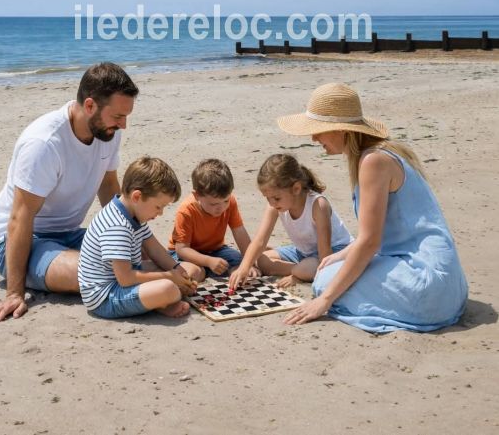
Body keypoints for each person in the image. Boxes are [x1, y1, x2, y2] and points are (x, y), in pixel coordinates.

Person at [276, 82, 468, 333]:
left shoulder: (373, 161)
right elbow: (384, 234)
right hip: (450, 284)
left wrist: (324, 301)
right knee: (331, 267)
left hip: (427, 284)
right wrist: (341, 255)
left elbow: (370, 242)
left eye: (319, 130)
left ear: (341, 129)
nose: (314, 138)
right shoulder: (384, 153)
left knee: (324, 283)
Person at [0, 62, 138, 323]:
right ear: (90, 106)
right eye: (118, 117)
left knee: (135, 260)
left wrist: (132, 236)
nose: (123, 125)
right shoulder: (43, 143)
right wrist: (14, 293)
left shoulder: (107, 132)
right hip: (18, 241)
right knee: (101, 273)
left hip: (70, 235)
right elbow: (20, 218)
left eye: (126, 116)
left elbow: (109, 188)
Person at [79, 156, 204, 319]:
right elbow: (125, 279)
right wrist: (169, 277)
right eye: (158, 207)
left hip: (127, 277)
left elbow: (155, 250)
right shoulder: (117, 226)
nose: (160, 213)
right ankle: (160, 303)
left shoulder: (134, 212)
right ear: (137, 197)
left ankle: (157, 300)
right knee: (168, 289)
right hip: (106, 297)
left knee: (191, 270)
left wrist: (176, 270)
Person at [229, 153, 352, 290]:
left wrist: (298, 276)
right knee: (260, 260)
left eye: (276, 198)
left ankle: (300, 272)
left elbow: (325, 256)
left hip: (334, 253)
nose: (271, 203)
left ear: (296, 189)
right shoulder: (275, 205)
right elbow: (259, 240)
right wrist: (244, 267)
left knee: (309, 267)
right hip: (302, 252)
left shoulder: (318, 205)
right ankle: (298, 269)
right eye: (267, 198)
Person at [168, 158, 260, 278]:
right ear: (197, 196)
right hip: (185, 254)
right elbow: (182, 249)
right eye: (213, 204)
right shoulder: (187, 211)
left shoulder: (230, 203)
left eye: (225, 201)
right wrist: (208, 261)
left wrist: (248, 264)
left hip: (215, 250)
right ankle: (205, 271)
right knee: (195, 272)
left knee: (241, 261)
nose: (221, 208)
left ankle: (215, 271)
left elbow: (239, 232)